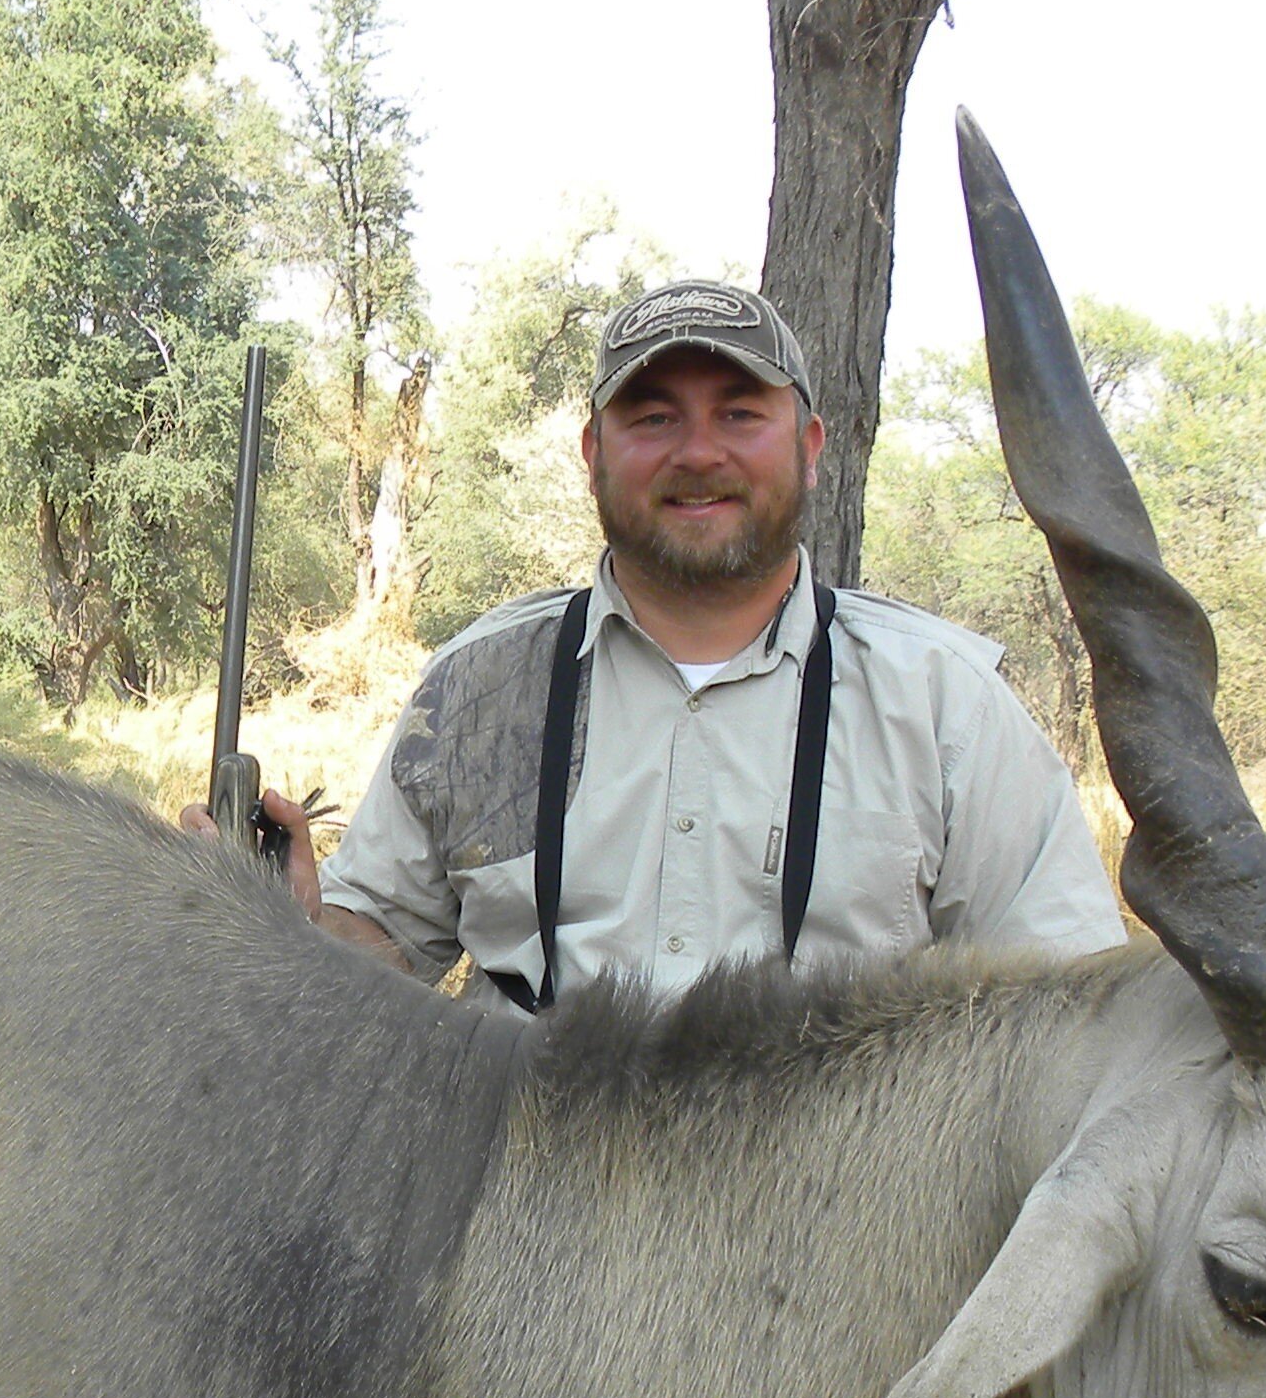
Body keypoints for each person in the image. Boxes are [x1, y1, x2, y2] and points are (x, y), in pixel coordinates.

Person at [223, 277, 1124, 1003]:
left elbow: (1074, 1016)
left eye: (739, 413)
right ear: (594, 455)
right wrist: (287, 925)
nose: (697, 452)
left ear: (810, 447)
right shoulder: (478, 689)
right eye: (653, 417)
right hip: (527, 1211)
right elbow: (379, 959)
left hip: (841, 1222)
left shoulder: (946, 704)